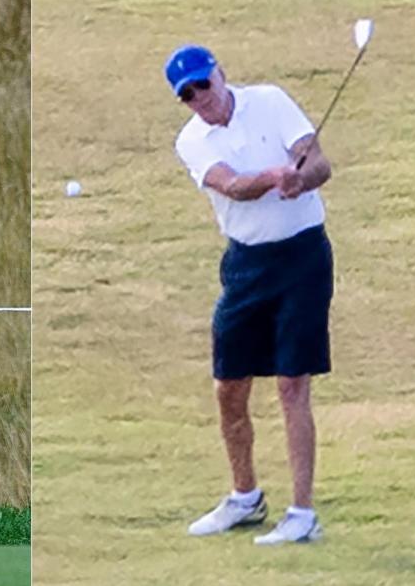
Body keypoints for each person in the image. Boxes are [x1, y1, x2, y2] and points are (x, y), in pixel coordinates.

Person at [166, 45, 334, 545]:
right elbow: (233, 186)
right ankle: (245, 497)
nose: (200, 99)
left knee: (291, 384)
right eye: (188, 95)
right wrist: (273, 176)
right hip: (245, 265)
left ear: (221, 74)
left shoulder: (271, 101)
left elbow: (320, 162)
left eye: (203, 85)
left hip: (303, 257)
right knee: (229, 385)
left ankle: (302, 514)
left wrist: (301, 178)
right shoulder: (192, 141)